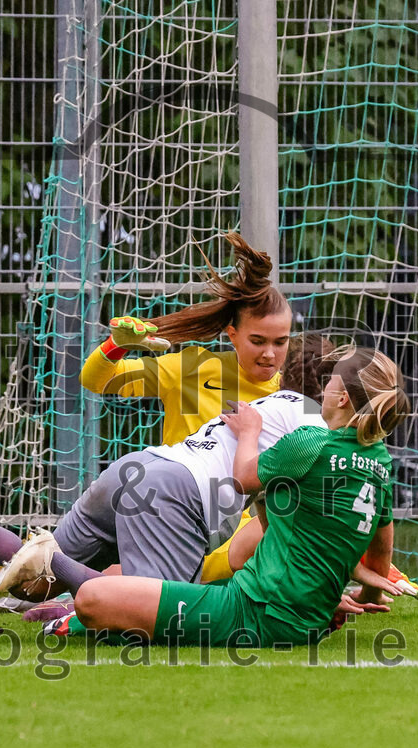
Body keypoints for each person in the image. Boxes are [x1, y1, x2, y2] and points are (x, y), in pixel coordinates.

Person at [0, 345, 411, 646]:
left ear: (338, 394)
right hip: (306, 623)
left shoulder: (310, 442)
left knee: (95, 601)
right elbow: (380, 556)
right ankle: (59, 593)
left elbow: (243, 492)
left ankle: (46, 559)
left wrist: (250, 433)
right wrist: (354, 597)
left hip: (248, 609)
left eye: (332, 379)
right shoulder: (381, 465)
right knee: (94, 599)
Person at [80, 231, 291, 583]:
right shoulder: (193, 369)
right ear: (232, 334)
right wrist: (116, 346)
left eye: (280, 342)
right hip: (182, 521)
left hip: (247, 536)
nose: (270, 353)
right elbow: (97, 380)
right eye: (258, 341)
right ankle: (104, 591)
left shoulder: (294, 394)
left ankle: (106, 590)